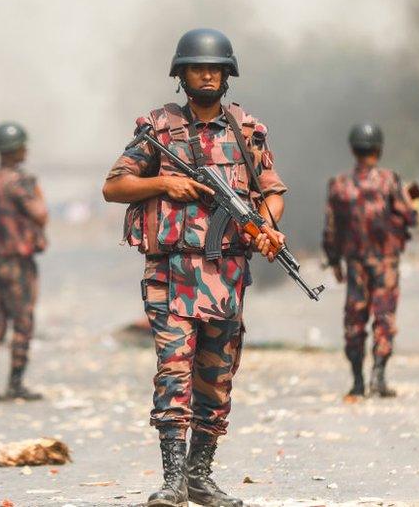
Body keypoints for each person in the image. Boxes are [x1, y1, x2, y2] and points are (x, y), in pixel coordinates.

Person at [102, 28, 287, 507]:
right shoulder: (158, 129)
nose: (207, 74)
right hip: (170, 276)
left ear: (227, 75)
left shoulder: (247, 131)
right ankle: (172, 481)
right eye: (197, 67)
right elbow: (114, 185)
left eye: (215, 68)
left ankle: (201, 476)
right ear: (181, 75)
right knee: (173, 374)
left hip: (225, 276)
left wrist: (266, 228)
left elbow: (272, 192)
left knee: (216, 378)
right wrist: (165, 183)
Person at [322, 124, 417, 399]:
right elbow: (409, 216)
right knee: (384, 318)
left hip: (354, 263)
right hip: (385, 262)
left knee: (354, 319)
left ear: (353, 149)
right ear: (379, 148)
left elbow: (330, 230)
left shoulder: (339, 185)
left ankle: (357, 381)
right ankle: (379, 375)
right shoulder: (389, 181)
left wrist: (334, 261)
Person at [0, 122, 48, 402]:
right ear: (15, 149)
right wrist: (36, 190)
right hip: (18, 262)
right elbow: (40, 215)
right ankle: (15, 383)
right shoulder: (19, 182)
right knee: (23, 322)